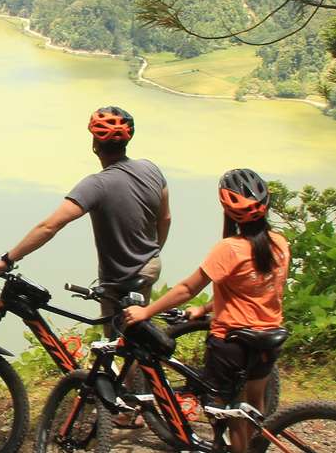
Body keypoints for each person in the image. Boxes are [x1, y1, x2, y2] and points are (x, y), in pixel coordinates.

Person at [121, 168, 289, 453]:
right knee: (253, 403)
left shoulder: (230, 248)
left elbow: (187, 288)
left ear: (226, 209)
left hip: (231, 342)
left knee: (222, 409)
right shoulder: (279, 243)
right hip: (269, 336)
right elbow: (257, 290)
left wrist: (146, 312)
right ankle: (249, 446)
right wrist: (207, 308)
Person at [0, 106, 171, 322]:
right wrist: (151, 254)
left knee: (116, 342)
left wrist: (7, 259)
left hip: (122, 276)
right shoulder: (151, 169)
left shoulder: (96, 185)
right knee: (134, 338)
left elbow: (49, 226)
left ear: (95, 145)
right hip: (150, 266)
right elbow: (165, 219)